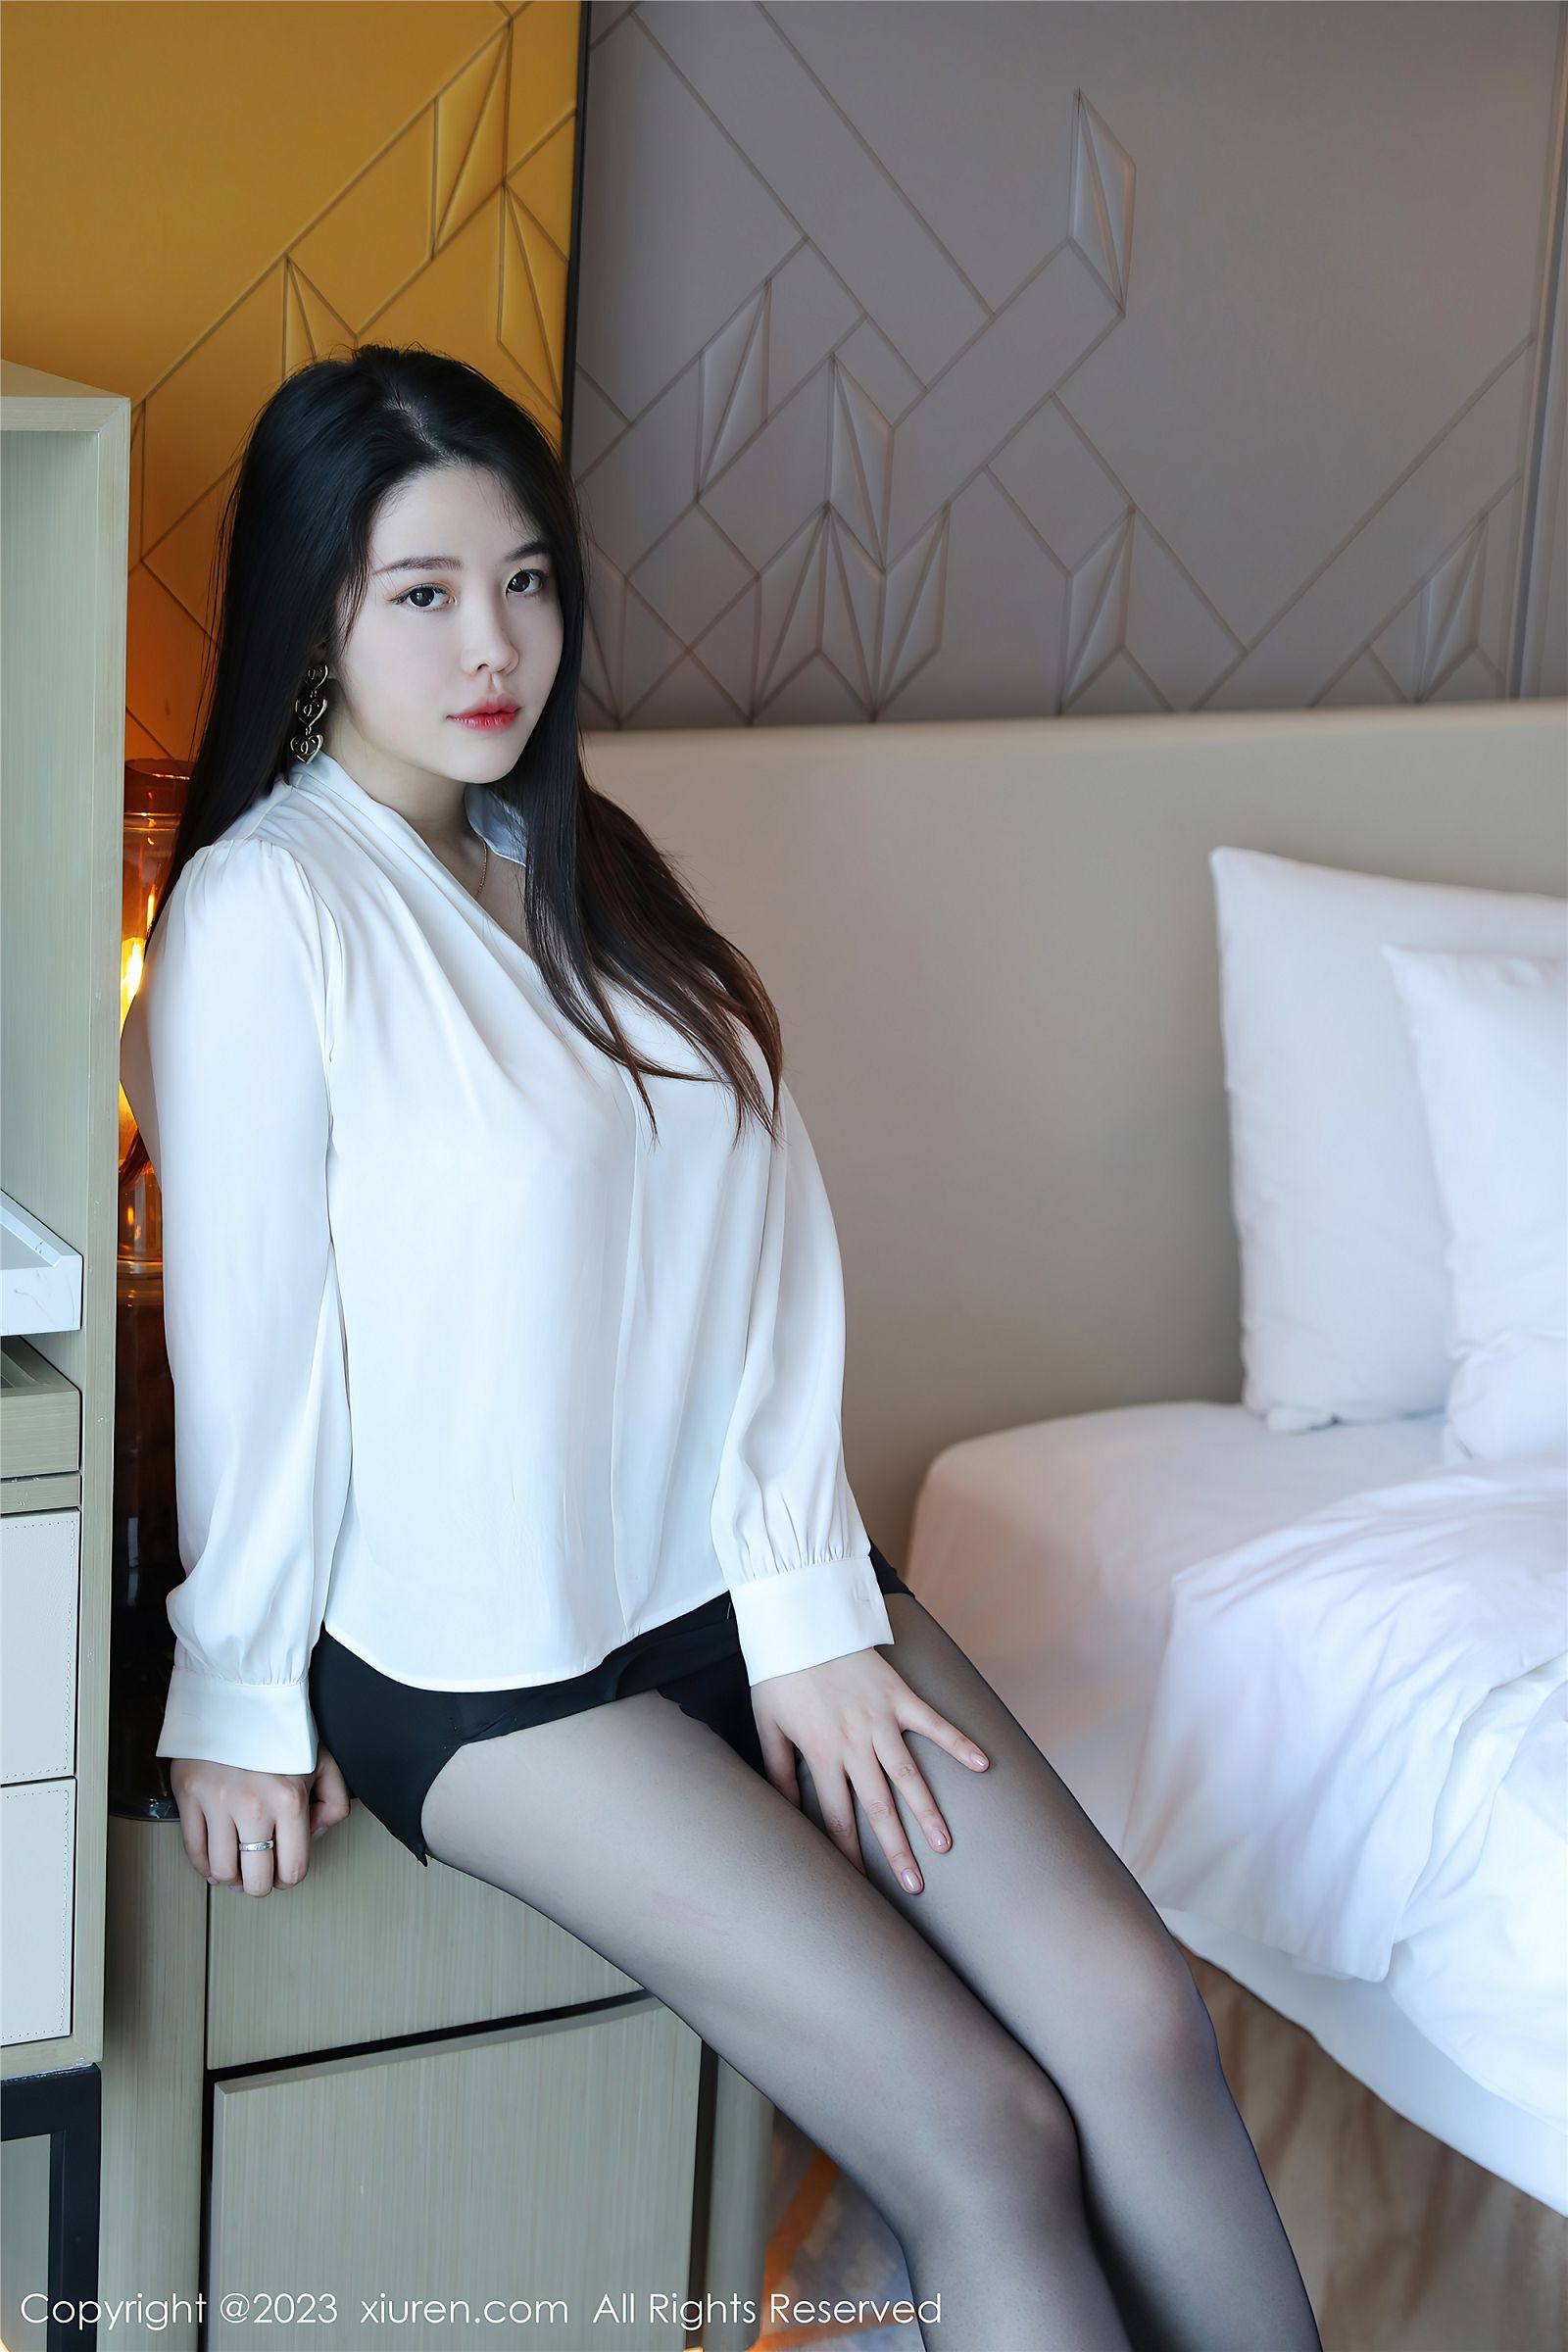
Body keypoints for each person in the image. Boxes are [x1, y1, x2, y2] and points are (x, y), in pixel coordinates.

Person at [117, 344, 1323, 2352]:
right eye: (423, 592)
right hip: (480, 1652)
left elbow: (765, 1255)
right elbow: (254, 1350)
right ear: (317, 616)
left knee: (1133, 2021)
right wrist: (235, 1683)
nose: (493, 643)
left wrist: (805, 1602)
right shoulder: (265, 912)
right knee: (984, 2132)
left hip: (730, 1574)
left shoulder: (577, 860)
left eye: (527, 581)